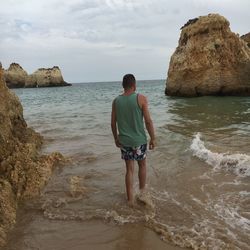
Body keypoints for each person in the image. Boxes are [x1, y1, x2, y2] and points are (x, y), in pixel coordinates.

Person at [111, 74, 155, 205]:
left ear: (123, 86)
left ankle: (130, 199)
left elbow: (113, 123)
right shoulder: (141, 98)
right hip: (139, 140)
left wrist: (116, 138)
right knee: (142, 165)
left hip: (124, 141)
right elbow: (148, 121)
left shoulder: (116, 101)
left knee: (129, 169)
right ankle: (142, 194)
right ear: (134, 85)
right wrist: (153, 138)